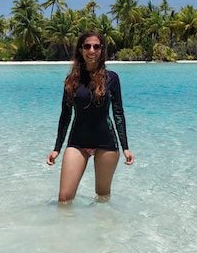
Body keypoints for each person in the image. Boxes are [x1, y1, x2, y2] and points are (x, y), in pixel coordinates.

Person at [46, 31, 134, 203]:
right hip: (77, 142)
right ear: (80, 50)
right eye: (87, 46)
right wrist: (57, 148)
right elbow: (65, 115)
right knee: (64, 198)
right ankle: (65, 229)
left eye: (96, 46)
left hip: (106, 143)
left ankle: (101, 229)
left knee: (102, 197)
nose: (91, 50)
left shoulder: (112, 78)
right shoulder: (71, 80)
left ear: (102, 50)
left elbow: (118, 113)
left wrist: (125, 147)